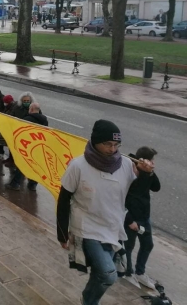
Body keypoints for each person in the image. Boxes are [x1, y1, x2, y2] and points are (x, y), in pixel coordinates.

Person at [57, 120, 153, 305]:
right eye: (107, 144)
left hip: (112, 227)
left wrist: (146, 173)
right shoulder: (78, 165)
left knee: (102, 272)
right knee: (108, 274)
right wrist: (62, 232)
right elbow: (63, 199)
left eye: (116, 145)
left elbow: (136, 194)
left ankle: (88, 299)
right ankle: (89, 300)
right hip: (87, 227)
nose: (112, 149)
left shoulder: (125, 164)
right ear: (95, 141)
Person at [124, 146, 160, 290]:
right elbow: (122, 199)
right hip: (131, 218)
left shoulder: (147, 173)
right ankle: (127, 272)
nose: (153, 163)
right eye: (151, 160)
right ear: (143, 160)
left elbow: (156, 187)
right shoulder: (129, 171)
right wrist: (129, 220)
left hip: (144, 216)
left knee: (147, 244)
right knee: (128, 246)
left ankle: (140, 272)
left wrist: (150, 173)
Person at [6, 102, 46, 191]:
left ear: (31, 109)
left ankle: (15, 183)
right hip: (38, 146)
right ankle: (33, 184)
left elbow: (22, 133)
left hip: (27, 146)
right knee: (35, 166)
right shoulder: (44, 119)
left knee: (22, 165)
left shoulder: (27, 119)